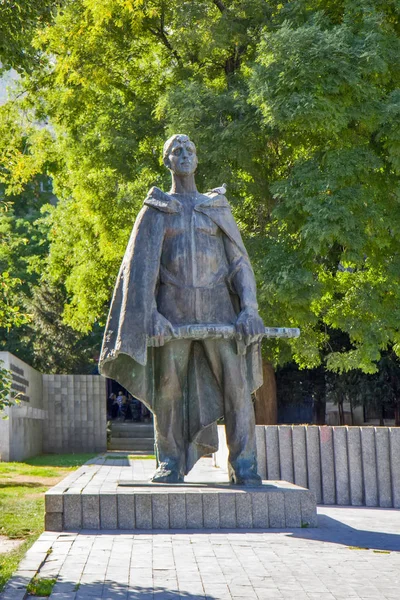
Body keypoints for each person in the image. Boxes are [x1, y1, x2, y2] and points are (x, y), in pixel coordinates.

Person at [99, 134, 265, 484]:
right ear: (167, 161)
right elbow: (141, 270)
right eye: (177, 150)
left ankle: (245, 465)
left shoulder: (215, 207)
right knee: (168, 389)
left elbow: (239, 263)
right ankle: (170, 462)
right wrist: (150, 315)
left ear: (197, 159)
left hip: (221, 313)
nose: (185, 154)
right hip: (171, 317)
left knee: (237, 387)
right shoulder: (156, 209)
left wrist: (249, 308)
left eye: (190, 149)